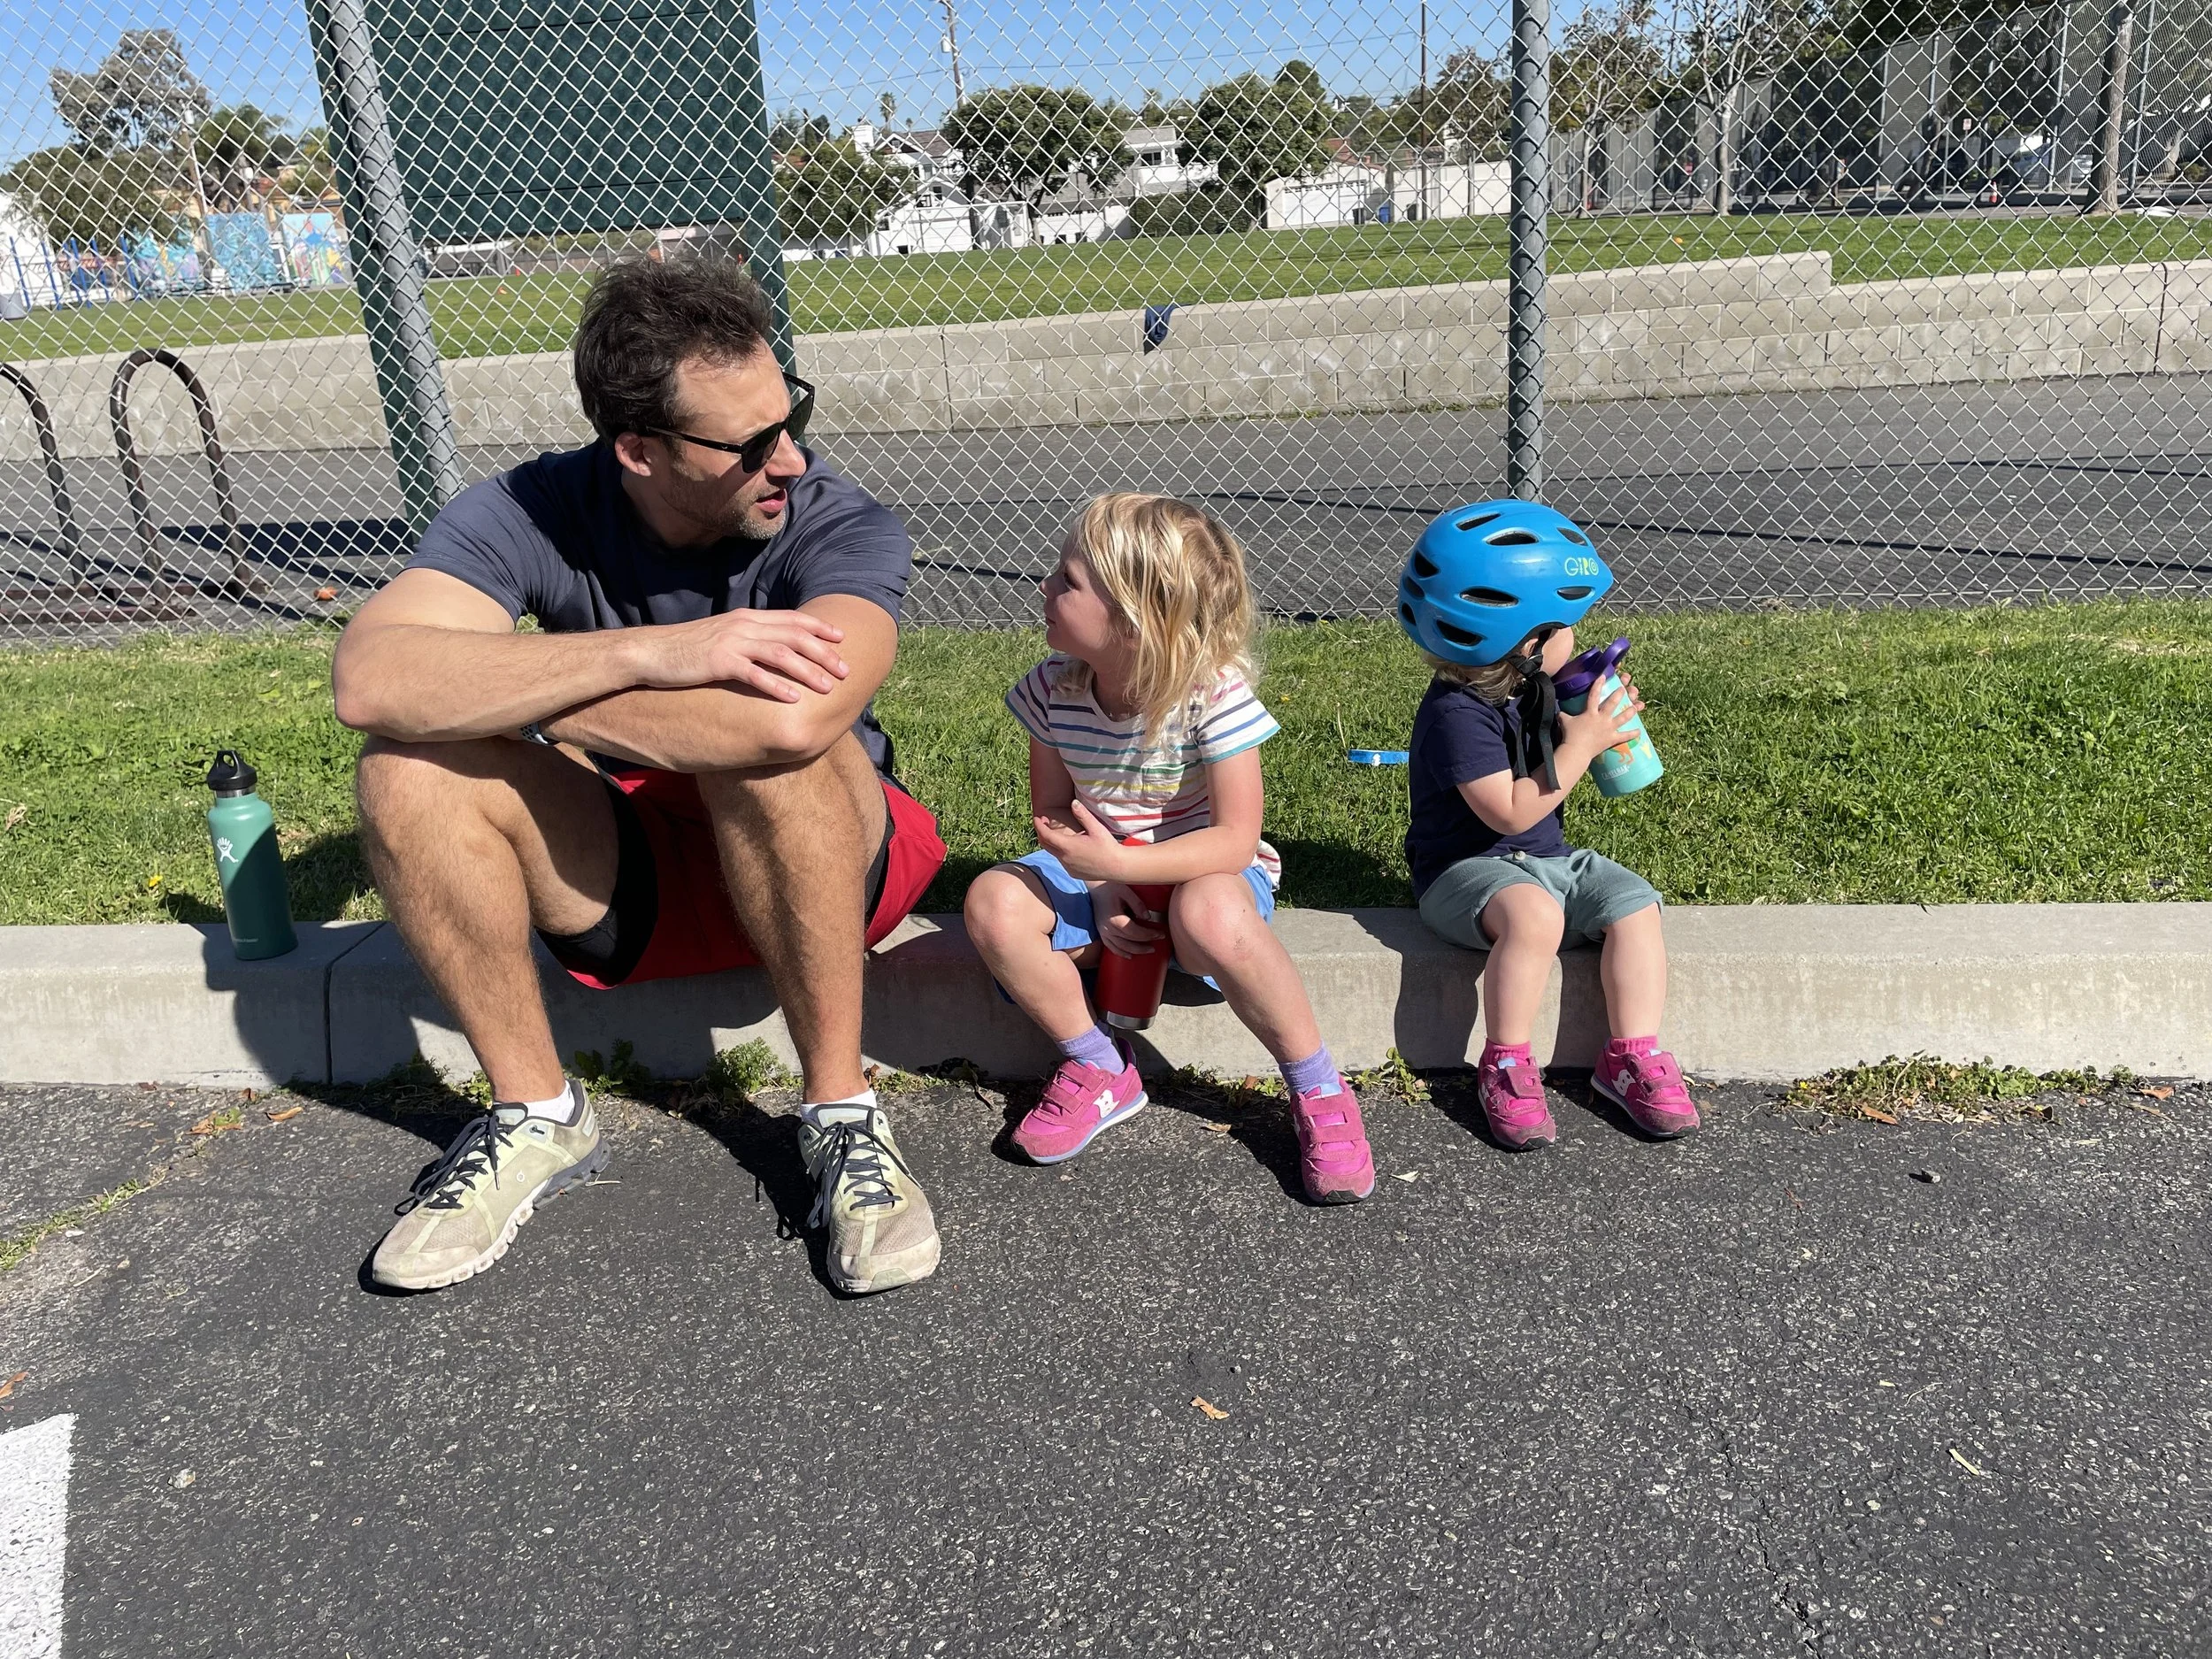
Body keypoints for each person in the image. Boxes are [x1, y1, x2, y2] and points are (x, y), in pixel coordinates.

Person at [332, 257, 947, 1295]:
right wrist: (645, 655)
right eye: (749, 444)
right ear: (637, 451)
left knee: (769, 746)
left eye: (789, 416)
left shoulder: (837, 519)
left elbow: (795, 715)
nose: (789, 458)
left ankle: (840, 1112)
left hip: (831, 861)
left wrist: (521, 692)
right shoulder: (534, 508)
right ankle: (535, 1115)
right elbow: (373, 677)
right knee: (406, 768)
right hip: (639, 874)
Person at [962, 494, 1376, 1203]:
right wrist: (1096, 886)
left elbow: (1236, 837)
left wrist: (1121, 865)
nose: (1043, 589)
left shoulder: (1211, 697)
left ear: (1131, 617)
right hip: (1099, 882)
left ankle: (1317, 1086)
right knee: (992, 901)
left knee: (1212, 909)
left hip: (1203, 884)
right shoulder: (1051, 689)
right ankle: (1099, 1065)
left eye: (1066, 581)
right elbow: (1052, 811)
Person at [1395, 500, 1698, 1151]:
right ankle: (1504, 1063)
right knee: (1535, 917)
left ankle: (1631, 1055)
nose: (1576, 635)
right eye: (1565, 624)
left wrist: (1594, 721)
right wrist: (1581, 748)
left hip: (1544, 859)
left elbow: (1551, 757)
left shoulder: (1530, 686)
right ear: (1528, 642)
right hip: (1463, 873)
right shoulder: (1456, 714)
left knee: (1635, 903)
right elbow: (1508, 810)